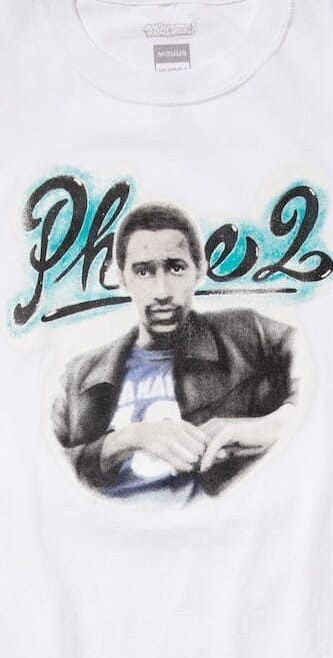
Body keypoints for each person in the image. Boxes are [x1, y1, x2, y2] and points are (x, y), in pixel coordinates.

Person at [50, 201, 299, 504]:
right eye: (144, 271)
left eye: (176, 268)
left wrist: (267, 427)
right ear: (122, 277)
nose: (162, 291)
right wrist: (125, 440)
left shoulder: (247, 334)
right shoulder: (80, 374)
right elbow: (38, 464)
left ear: (199, 270)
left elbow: (319, 376)